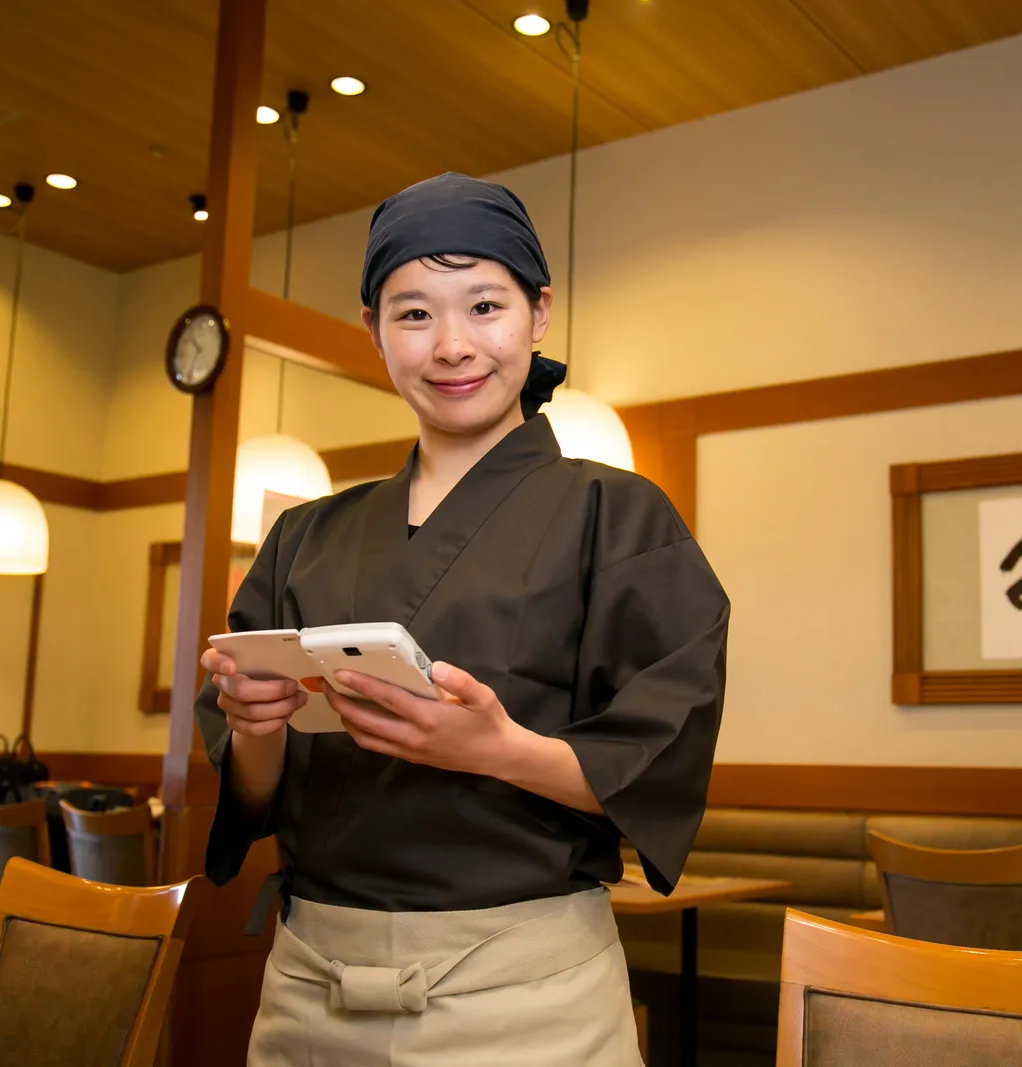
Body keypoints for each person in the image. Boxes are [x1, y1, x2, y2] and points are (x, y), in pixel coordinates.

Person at [195, 171, 729, 1067]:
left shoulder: (620, 517)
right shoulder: (302, 537)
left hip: (525, 997)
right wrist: (256, 728)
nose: (451, 346)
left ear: (539, 313)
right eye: (413, 314)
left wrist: (496, 748)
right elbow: (252, 799)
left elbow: (658, 759)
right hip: (308, 986)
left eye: (485, 306)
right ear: (373, 330)